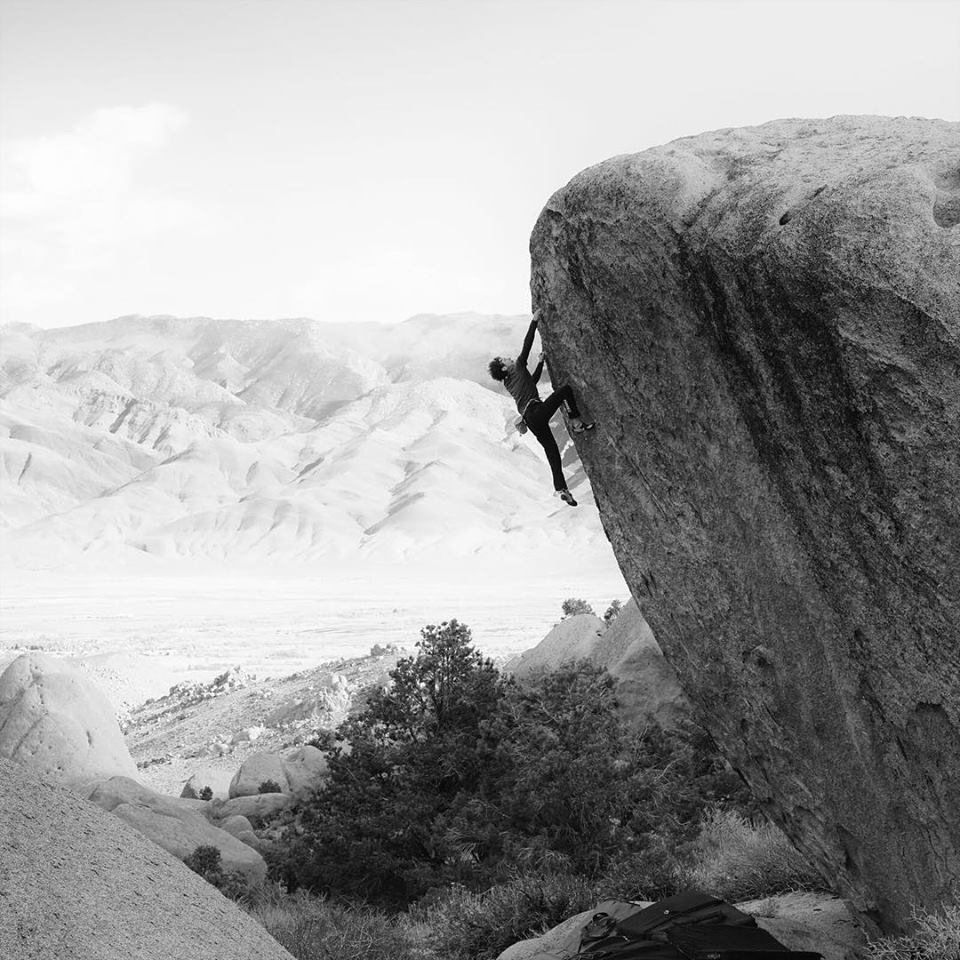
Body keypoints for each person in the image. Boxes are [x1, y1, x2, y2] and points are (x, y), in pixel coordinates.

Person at [488, 310, 594, 507]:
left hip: (531, 420)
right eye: (505, 360)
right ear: (504, 368)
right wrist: (534, 321)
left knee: (552, 451)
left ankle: (561, 488)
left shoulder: (509, 382)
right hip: (536, 411)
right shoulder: (518, 366)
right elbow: (526, 345)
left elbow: (532, 383)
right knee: (565, 391)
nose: (509, 358)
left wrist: (540, 363)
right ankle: (576, 421)